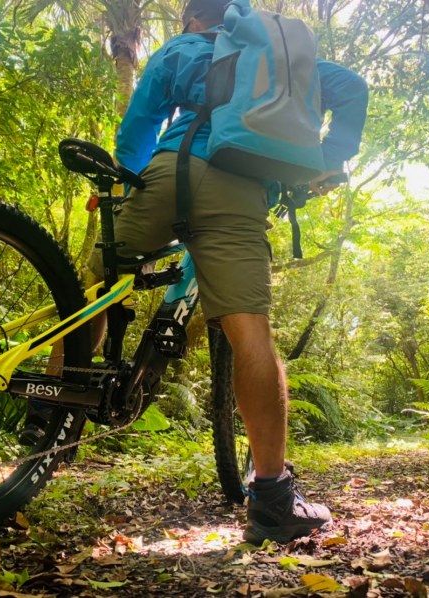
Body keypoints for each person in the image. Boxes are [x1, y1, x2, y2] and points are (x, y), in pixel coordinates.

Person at [26, 0, 368, 545]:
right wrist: (330, 159)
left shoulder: (181, 49)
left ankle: (46, 419)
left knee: (92, 287)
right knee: (250, 332)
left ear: (193, 19)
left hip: (168, 171)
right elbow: (350, 87)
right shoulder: (276, 60)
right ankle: (273, 501)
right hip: (239, 187)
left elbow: (137, 128)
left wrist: (131, 181)